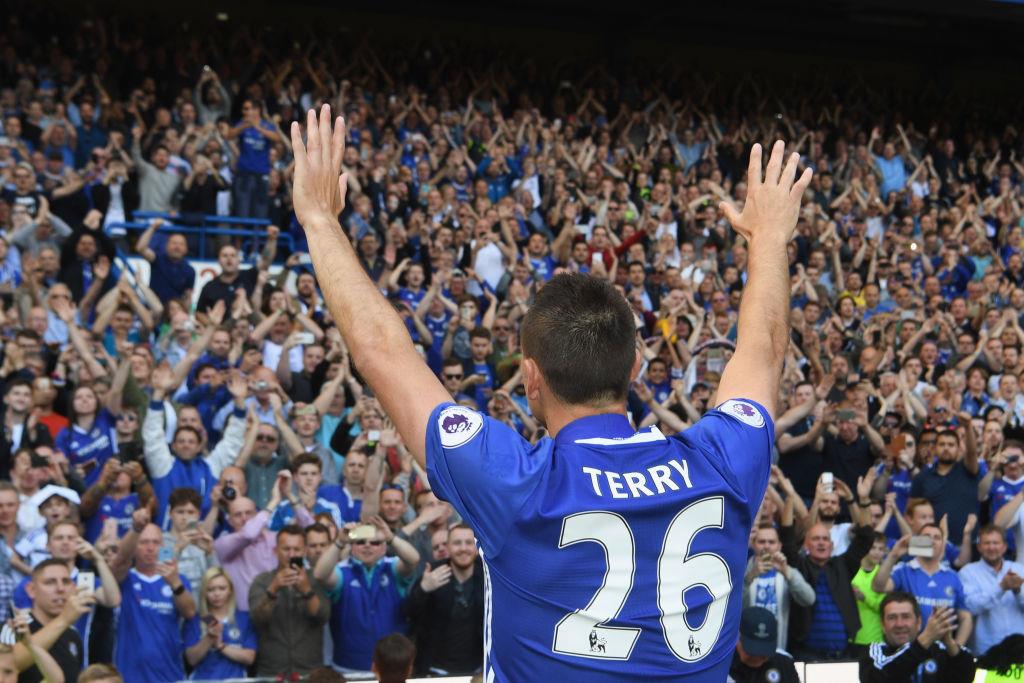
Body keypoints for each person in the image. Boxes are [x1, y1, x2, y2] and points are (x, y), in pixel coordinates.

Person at [292, 109, 812, 680]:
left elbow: (381, 352)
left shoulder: (515, 482)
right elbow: (764, 351)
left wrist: (319, 220)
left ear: (530, 379)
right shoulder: (722, 462)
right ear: (636, 366)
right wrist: (769, 238)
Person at [313, 516, 420, 675]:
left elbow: (413, 559)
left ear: (383, 547)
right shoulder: (342, 571)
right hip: (348, 667)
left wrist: (391, 537)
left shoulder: (392, 567)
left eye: (375, 542)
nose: (367, 545)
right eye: (360, 542)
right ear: (352, 546)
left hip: (390, 668)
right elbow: (319, 575)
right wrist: (339, 542)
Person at [108, 509, 197, 683]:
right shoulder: (125, 578)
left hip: (169, 674)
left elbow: (190, 612)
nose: (150, 548)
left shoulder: (176, 579)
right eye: (143, 542)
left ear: (163, 547)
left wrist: (175, 584)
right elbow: (120, 559)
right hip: (129, 675)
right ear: (134, 547)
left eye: (156, 542)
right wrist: (136, 528)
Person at [248, 524, 330, 678]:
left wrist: (306, 590)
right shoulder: (262, 581)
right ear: (275, 550)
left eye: (296, 549)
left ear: (304, 551)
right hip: (272, 671)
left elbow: (322, 616)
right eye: (286, 549)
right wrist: (273, 589)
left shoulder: (316, 579)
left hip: (310, 671)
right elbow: (257, 619)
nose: (291, 554)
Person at [871, 525, 973, 647]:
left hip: (942, 652)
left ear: (943, 544)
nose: (932, 541)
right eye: (926, 537)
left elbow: (965, 617)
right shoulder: (903, 570)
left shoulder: (953, 577)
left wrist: (956, 650)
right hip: (909, 649)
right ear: (918, 541)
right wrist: (894, 555)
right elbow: (878, 587)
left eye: (937, 538)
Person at [406, 523, 484, 676]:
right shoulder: (433, 573)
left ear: (476, 547)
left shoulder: (488, 577)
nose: (463, 548)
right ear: (448, 547)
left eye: (469, 542)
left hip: (477, 670)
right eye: (457, 543)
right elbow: (408, 614)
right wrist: (423, 589)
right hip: (435, 669)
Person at [859, 592, 975, 683]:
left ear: (919, 622)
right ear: (883, 625)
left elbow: (966, 675)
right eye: (892, 617)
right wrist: (925, 639)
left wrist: (949, 642)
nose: (899, 624)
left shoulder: (940, 649)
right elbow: (877, 678)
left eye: (906, 616)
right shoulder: (874, 651)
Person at [741, 524, 814, 651]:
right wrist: (749, 578)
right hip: (747, 647)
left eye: (771, 542)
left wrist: (787, 573)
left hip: (779, 647)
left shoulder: (787, 571)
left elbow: (809, 599)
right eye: (761, 542)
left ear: (779, 546)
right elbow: (732, 607)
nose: (766, 546)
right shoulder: (743, 571)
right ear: (753, 544)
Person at [957, 524, 1024, 655]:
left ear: (1004, 547)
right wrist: (1002, 587)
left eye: (996, 543)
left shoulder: (1019, 569)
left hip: (1020, 649)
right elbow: (971, 607)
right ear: (979, 547)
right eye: (987, 543)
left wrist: (1018, 591)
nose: (992, 547)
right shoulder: (967, 572)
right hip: (986, 650)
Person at [183, 567, 257, 680]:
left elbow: (249, 658)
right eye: (211, 589)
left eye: (222, 588)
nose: (217, 594)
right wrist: (209, 638)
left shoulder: (244, 618)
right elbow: (191, 659)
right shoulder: (195, 620)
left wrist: (221, 646)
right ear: (204, 593)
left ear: (230, 590)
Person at [727, 607, 801, 683]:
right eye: (752, 650)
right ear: (736, 637)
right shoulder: (723, 665)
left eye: (764, 650)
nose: (757, 656)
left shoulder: (784, 665)